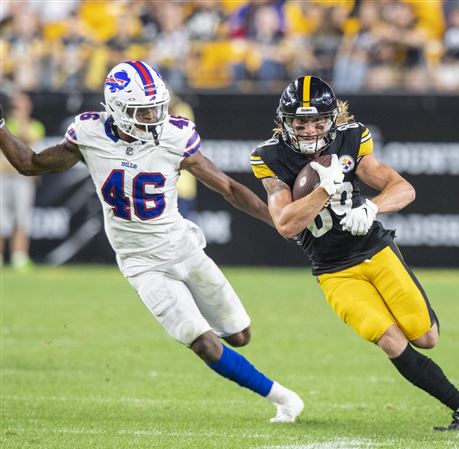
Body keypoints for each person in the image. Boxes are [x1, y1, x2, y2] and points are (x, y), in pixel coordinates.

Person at [0, 60, 303, 423]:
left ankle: (261, 375)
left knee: (239, 336)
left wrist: (277, 221)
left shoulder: (175, 136)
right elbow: (30, 164)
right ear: (116, 108)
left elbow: (229, 188)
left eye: (157, 107)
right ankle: (282, 398)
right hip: (140, 262)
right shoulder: (89, 134)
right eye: (143, 110)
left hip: (182, 247)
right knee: (204, 342)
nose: (153, 116)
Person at [250, 76, 459, 431]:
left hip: (375, 249)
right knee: (390, 339)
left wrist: (373, 208)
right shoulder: (269, 157)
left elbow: (403, 188)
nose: (310, 130)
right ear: (286, 123)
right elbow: (285, 224)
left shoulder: (351, 138)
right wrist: (323, 191)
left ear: (332, 120)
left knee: (426, 338)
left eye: (318, 121)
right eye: (301, 123)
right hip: (334, 270)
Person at [0, 92, 45, 270]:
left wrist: (21, 119)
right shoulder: (5, 124)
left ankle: (19, 257)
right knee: (1, 220)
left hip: (23, 180)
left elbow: (29, 142)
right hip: (3, 177)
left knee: (22, 219)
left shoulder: (35, 125)